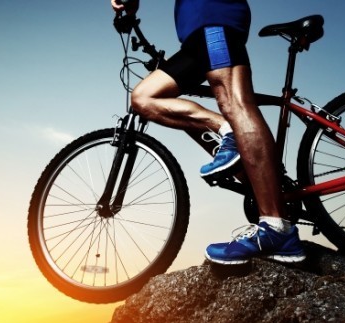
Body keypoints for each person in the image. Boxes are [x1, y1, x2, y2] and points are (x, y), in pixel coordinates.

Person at [110, 0, 306, 265]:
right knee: (144, 98)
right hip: (194, 34)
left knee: (232, 101)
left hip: (213, 16)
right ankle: (227, 130)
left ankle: (276, 227)